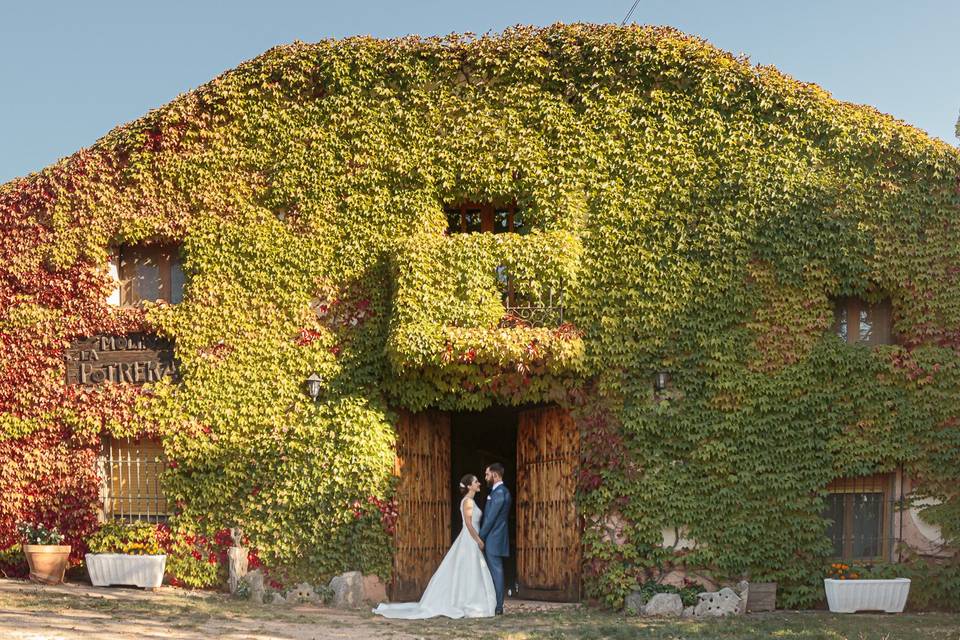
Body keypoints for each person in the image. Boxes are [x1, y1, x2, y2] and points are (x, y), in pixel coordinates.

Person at [373, 473, 496, 619]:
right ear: (469, 486)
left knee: (469, 570)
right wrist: (479, 540)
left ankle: (469, 599)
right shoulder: (468, 502)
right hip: (469, 539)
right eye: (476, 482)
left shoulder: (470, 501)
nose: (479, 484)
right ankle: (465, 601)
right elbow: (469, 524)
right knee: (469, 569)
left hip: (469, 539)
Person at [478, 462, 512, 616]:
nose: (485, 477)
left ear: (495, 475)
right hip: (497, 536)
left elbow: (490, 518)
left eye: (487, 474)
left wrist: (480, 537)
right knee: (494, 571)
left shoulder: (499, 493)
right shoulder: (501, 492)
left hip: (494, 538)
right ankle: (495, 603)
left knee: (496, 571)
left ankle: (498, 606)